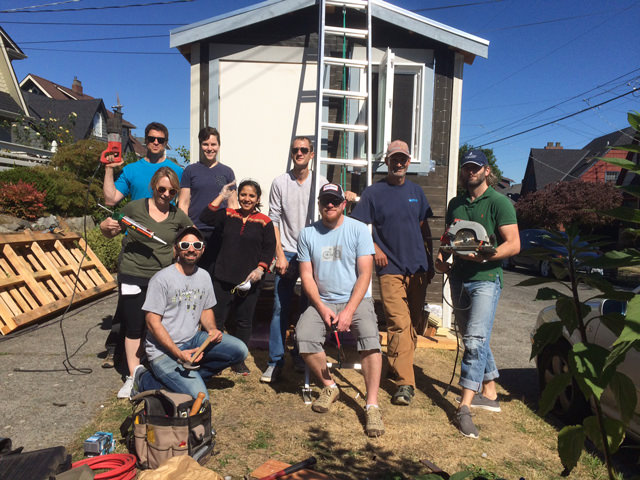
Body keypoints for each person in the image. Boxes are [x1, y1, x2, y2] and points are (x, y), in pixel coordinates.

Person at [434, 149, 520, 438]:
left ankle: (464, 407)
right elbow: (450, 238)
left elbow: (514, 244)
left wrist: (487, 257)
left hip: (485, 278)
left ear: (487, 171)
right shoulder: (455, 203)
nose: (470, 172)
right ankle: (490, 392)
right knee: (474, 335)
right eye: (466, 167)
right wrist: (442, 257)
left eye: (476, 167)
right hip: (458, 277)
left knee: (474, 339)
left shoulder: (500, 202)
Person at [261, 136, 355, 383]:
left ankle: (303, 357)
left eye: (304, 150)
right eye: (295, 150)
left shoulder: (321, 183)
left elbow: (333, 213)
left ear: (312, 154)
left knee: (309, 308)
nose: (299, 153)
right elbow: (274, 220)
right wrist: (279, 253)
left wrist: (352, 197)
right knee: (280, 308)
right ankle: (275, 361)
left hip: (312, 253)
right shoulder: (280, 182)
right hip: (288, 252)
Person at [296, 183, 384, 437]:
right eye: (325, 200)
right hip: (323, 300)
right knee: (304, 336)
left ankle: (372, 405)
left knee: (370, 341)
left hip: (356, 299)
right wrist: (322, 308)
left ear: (343, 203)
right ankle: (330, 386)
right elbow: (307, 276)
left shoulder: (358, 230)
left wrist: (348, 311)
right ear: (320, 204)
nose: (330, 204)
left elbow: (365, 274)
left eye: (335, 200)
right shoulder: (308, 234)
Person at [351, 139, 434, 407]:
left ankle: (395, 365)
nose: (398, 163)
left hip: (418, 268)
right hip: (390, 269)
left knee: (412, 324)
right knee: (398, 322)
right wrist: (374, 247)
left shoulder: (417, 192)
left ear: (409, 161)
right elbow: (357, 228)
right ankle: (405, 384)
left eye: (403, 159)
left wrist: (431, 263)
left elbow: (423, 230)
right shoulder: (374, 193)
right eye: (393, 158)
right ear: (386, 161)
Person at [100, 167, 192, 398]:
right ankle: (133, 376)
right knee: (134, 326)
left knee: (157, 325)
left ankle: (155, 368)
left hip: (161, 280)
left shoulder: (176, 215)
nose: (166, 194)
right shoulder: (134, 208)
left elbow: (192, 236)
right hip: (132, 274)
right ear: (153, 186)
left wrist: (182, 251)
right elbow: (112, 230)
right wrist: (105, 228)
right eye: (162, 189)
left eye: (172, 191)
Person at [101, 121, 183, 369]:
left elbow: (183, 206)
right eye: (151, 138)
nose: (155, 143)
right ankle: (117, 349)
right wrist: (108, 169)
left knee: (161, 307)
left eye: (160, 139)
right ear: (145, 140)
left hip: (162, 250)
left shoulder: (176, 170)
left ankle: (156, 355)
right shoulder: (132, 169)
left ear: (166, 142)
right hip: (135, 249)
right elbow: (111, 199)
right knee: (129, 305)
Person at [136, 226, 248, 400]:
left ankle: (187, 378)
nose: (191, 249)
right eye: (185, 245)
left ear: (202, 250)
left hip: (192, 341)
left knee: (239, 350)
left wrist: (211, 329)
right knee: (200, 398)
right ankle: (146, 379)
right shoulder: (161, 279)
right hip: (163, 352)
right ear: (176, 249)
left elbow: (205, 308)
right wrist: (178, 354)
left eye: (196, 245)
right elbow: (152, 322)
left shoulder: (203, 276)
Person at [200, 179, 276, 375]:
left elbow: (268, 250)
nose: (247, 199)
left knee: (243, 321)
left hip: (249, 282)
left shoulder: (265, 222)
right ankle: (213, 357)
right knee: (216, 320)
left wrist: (260, 269)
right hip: (222, 277)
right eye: (243, 195)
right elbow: (206, 216)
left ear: (258, 198)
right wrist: (222, 195)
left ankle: (238, 360)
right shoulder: (228, 215)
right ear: (238, 196)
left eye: (251, 196)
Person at [178, 126, 238, 275]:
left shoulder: (227, 172)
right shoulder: (190, 171)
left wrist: (234, 231)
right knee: (194, 275)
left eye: (213, 144)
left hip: (220, 233)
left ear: (218, 146)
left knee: (218, 275)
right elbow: (183, 203)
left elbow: (233, 205)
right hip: (196, 230)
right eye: (205, 144)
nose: (209, 148)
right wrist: (189, 229)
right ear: (200, 145)